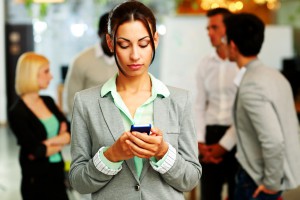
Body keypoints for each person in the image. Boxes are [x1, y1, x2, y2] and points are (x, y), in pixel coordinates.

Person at [68, 1, 202, 199]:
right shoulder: (86, 102)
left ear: (155, 41)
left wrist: (163, 151)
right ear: (110, 43)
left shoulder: (179, 101)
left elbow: (190, 179)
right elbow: (79, 182)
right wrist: (112, 155)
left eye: (143, 44)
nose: (135, 55)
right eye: (124, 44)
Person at [224, 13, 300, 200]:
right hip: (270, 175)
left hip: (257, 180)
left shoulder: (252, 84)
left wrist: (272, 185)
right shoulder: (275, 75)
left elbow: (273, 140)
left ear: (232, 45)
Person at [8, 52, 71, 200]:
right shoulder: (17, 112)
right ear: (32, 74)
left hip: (57, 171)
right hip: (35, 180)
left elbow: (69, 132)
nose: (51, 76)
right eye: (46, 71)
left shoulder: (48, 101)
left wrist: (48, 143)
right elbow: (36, 151)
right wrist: (60, 139)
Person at [194, 8, 238, 200]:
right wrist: (200, 141)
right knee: (209, 195)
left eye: (214, 27)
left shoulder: (241, 64)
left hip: (237, 137)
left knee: (238, 194)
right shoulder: (205, 64)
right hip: (209, 136)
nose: (209, 33)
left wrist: (225, 144)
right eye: (208, 28)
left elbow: (245, 111)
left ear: (227, 29)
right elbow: (199, 104)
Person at [63, 12, 117, 116]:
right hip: (89, 121)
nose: (113, 39)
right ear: (99, 34)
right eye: (110, 35)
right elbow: (71, 100)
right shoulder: (81, 61)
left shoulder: (128, 59)